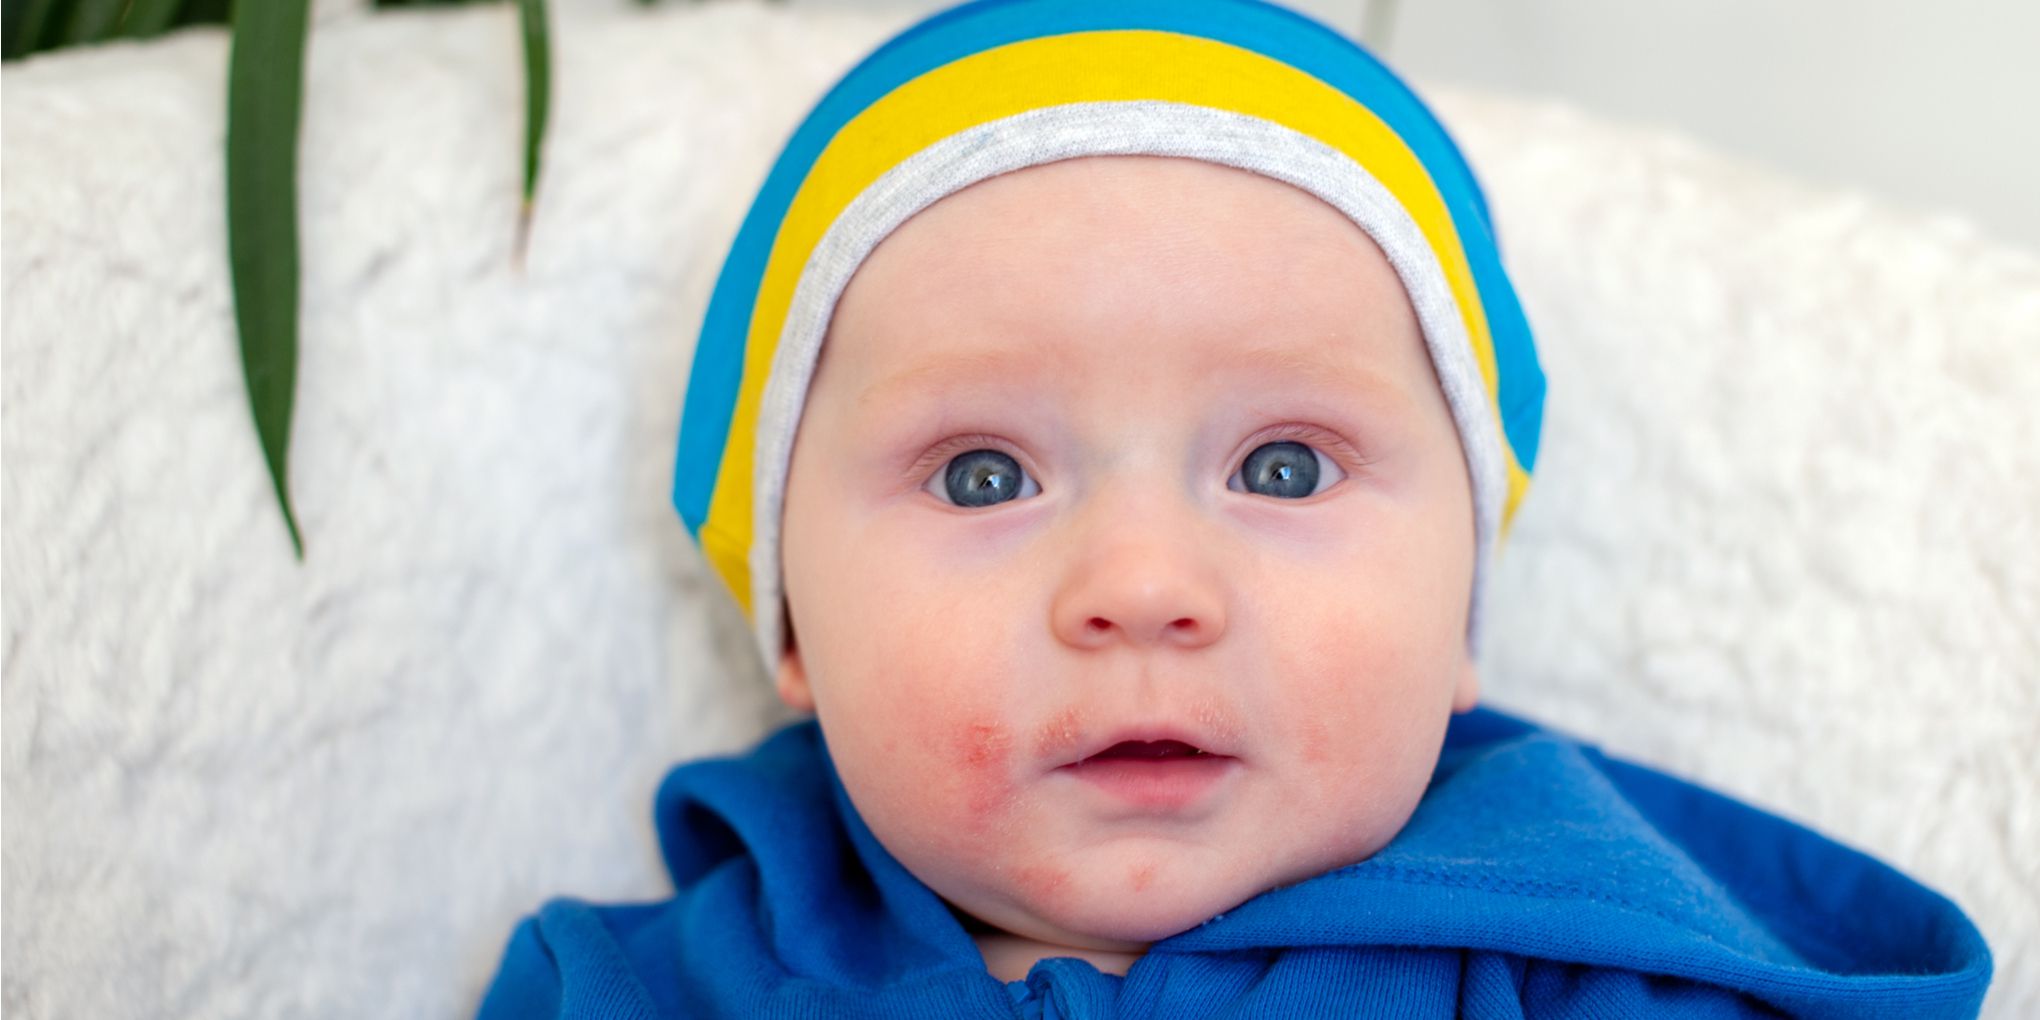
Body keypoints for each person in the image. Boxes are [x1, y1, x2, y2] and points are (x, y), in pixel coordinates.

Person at [479, 0, 1992, 1015]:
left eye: (1284, 468)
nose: (1144, 585)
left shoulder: (1600, 972)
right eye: (985, 475)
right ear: (794, 624)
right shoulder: (629, 993)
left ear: (1461, 619)